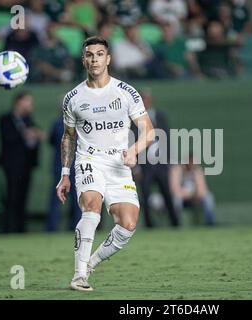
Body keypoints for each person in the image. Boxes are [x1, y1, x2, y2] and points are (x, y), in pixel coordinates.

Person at [56, 36, 155, 291]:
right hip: (89, 160)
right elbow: (68, 136)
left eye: (100, 54)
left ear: (108, 59)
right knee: (92, 206)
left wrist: (134, 150)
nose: (95, 59)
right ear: (83, 60)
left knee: (128, 223)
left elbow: (149, 131)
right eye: (90, 55)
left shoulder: (126, 92)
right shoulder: (73, 98)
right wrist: (65, 173)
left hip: (118, 164)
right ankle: (79, 276)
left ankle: (91, 262)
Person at [0, 91, 46, 233]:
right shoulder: (5, 119)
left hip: (26, 166)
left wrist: (36, 133)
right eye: (28, 102)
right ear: (18, 103)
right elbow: (9, 138)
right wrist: (27, 134)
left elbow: (37, 132)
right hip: (12, 166)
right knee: (12, 197)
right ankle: (8, 229)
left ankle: (20, 229)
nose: (31, 105)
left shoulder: (28, 119)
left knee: (23, 198)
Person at [132, 89, 180, 228]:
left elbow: (167, 139)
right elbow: (132, 142)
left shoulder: (160, 116)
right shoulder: (135, 119)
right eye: (143, 99)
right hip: (145, 165)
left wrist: (169, 161)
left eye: (147, 99)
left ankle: (175, 223)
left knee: (167, 193)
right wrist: (136, 166)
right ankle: (149, 225)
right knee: (145, 196)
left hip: (160, 164)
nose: (145, 101)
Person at [46, 114, 82, 232]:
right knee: (76, 200)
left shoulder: (58, 123)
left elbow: (51, 140)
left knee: (57, 200)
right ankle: (76, 227)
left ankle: (52, 229)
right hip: (73, 168)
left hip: (61, 167)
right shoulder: (80, 123)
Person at [169, 154, 216, 226]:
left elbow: (202, 190)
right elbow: (175, 189)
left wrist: (193, 194)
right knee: (177, 199)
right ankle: (176, 224)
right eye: (192, 162)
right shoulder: (177, 170)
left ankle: (210, 224)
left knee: (208, 197)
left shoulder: (197, 171)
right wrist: (188, 194)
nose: (194, 165)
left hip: (194, 198)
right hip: (182, 198)